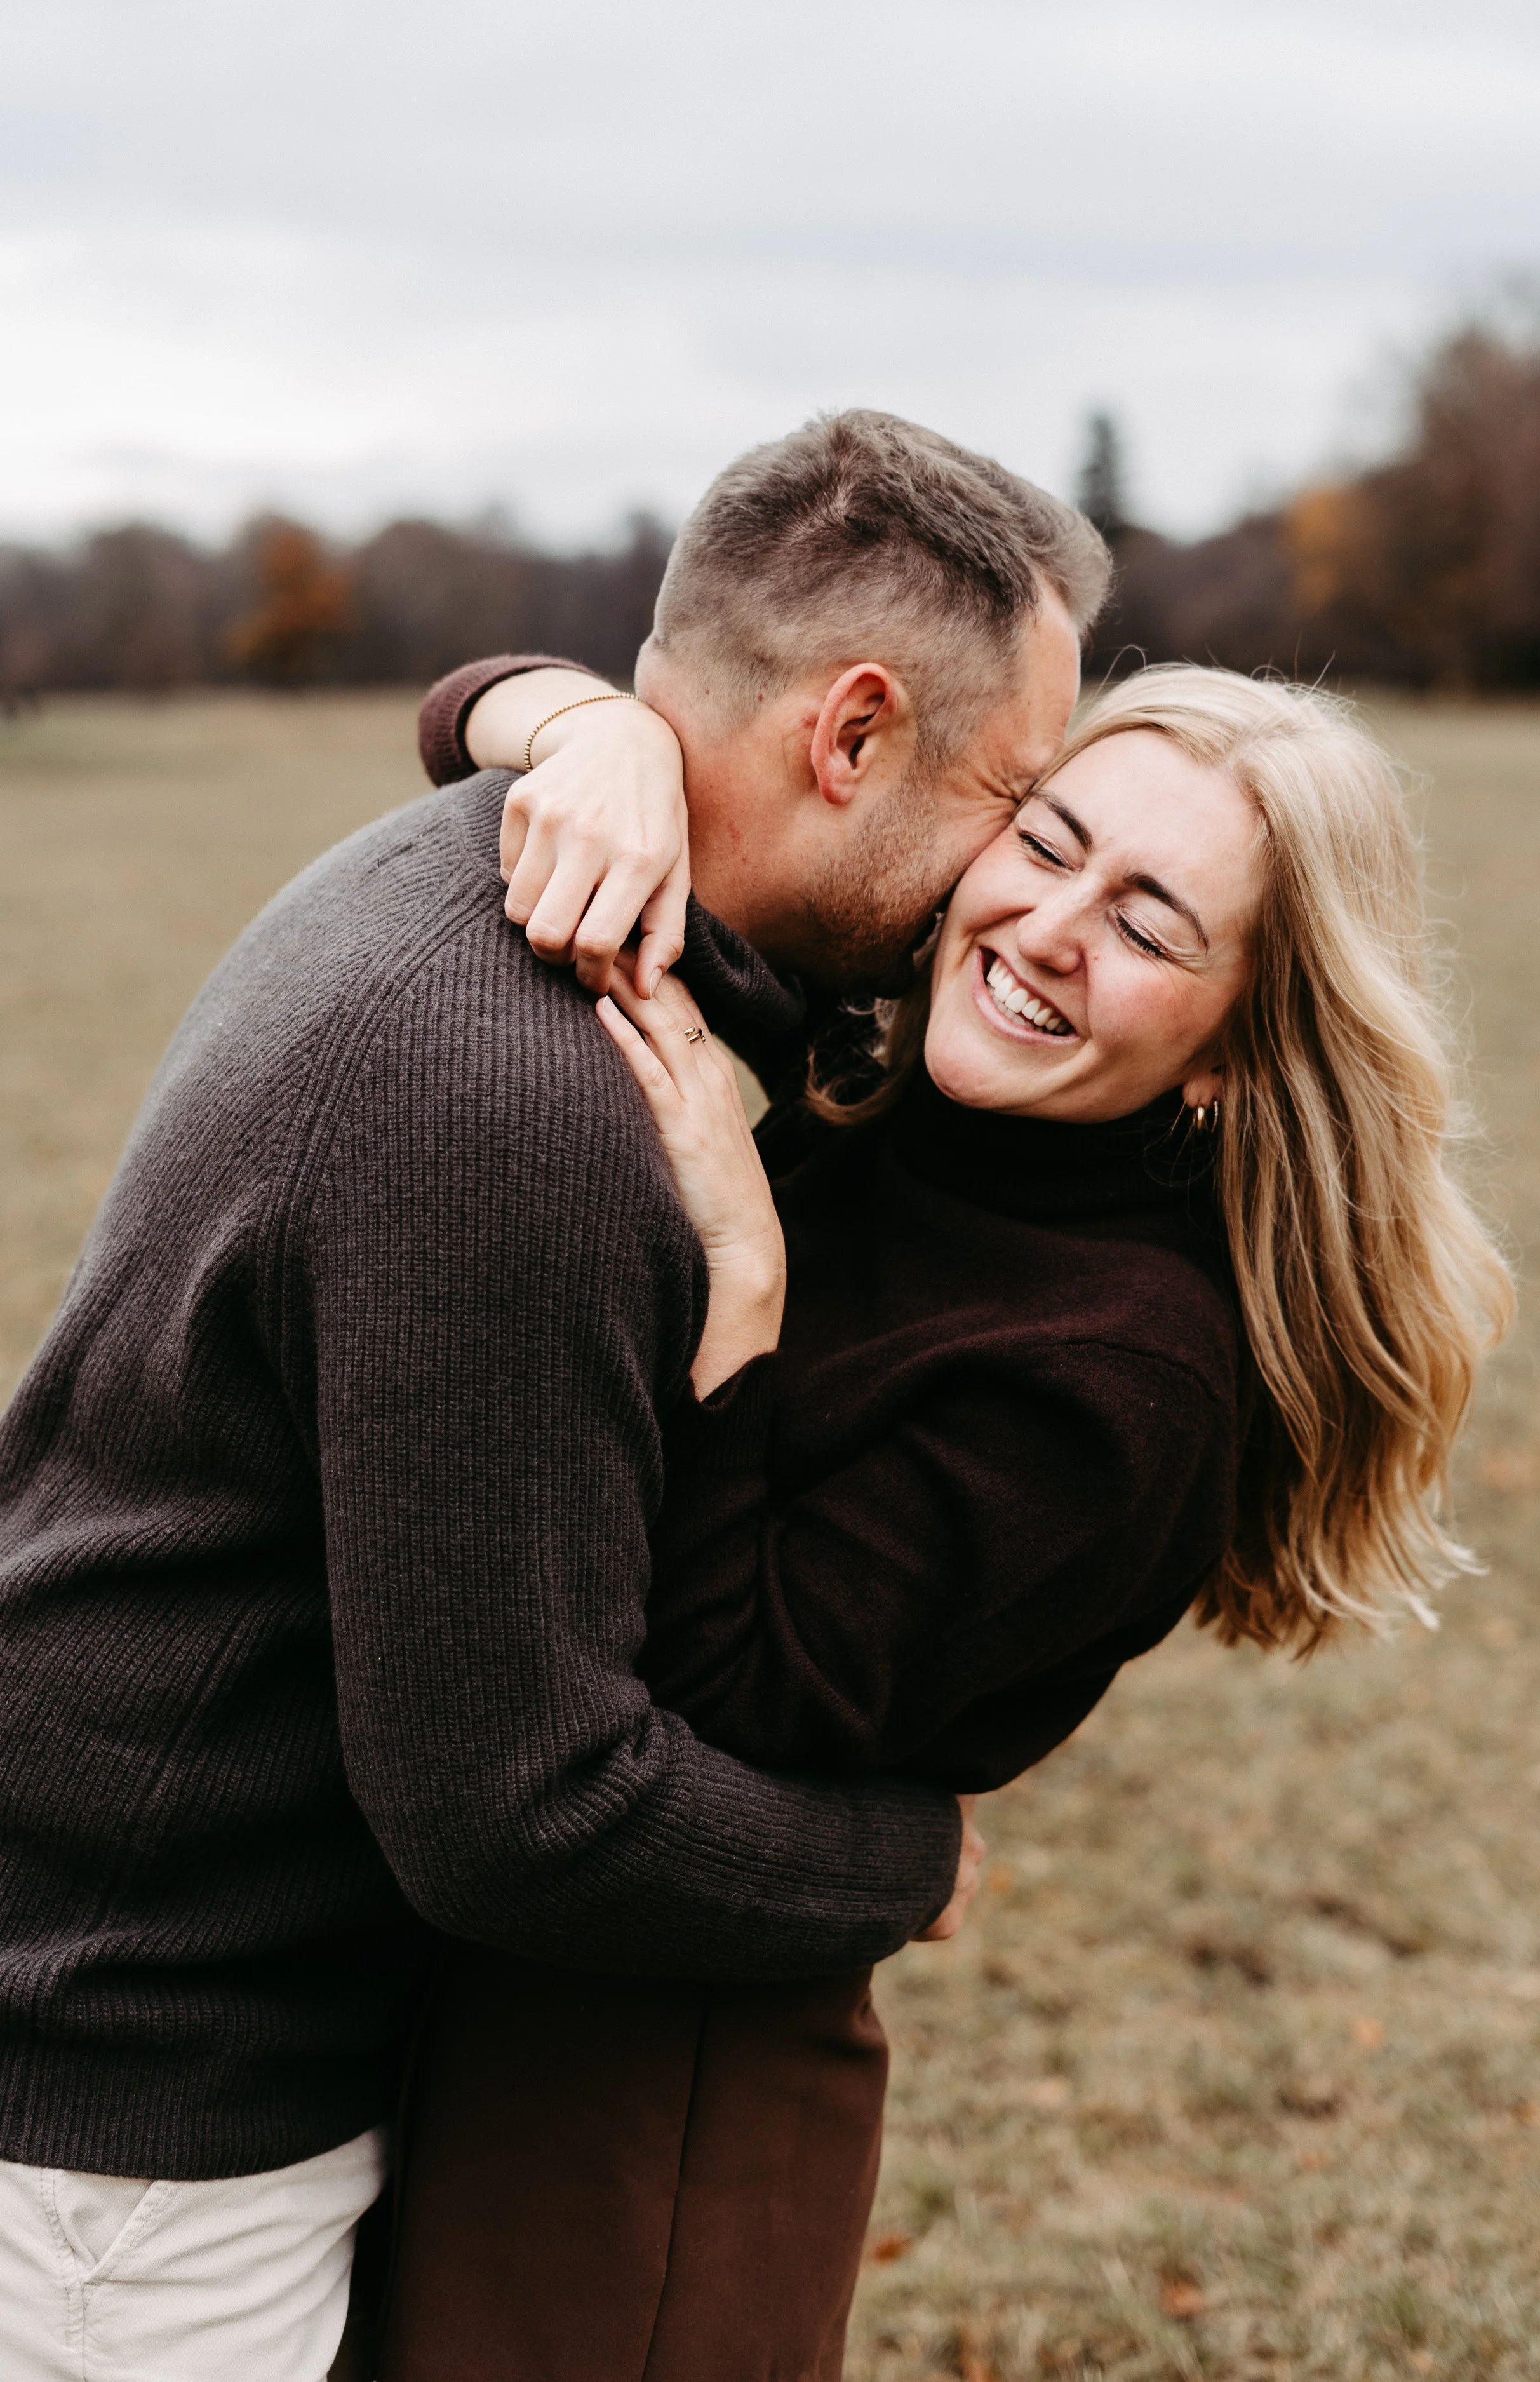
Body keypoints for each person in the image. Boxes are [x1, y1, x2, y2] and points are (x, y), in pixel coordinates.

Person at [0, 412, 1109, 2381]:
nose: (1003, 883)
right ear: (848, 736)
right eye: (1015, 798)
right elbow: (519, 1814)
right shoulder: (516, 1094)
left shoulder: (492, 886)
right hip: (130, 2140)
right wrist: (900, 1861)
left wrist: (537, 710)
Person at [377, 659, 1510, 2377]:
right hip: (482, 1976)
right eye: (1045, 842)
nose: (1048, 925)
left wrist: (743, 1278)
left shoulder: (1121, 1384)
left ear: (1234, 1044)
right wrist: (597, 731)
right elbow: (457, 709)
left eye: (1147, 922)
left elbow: (715, 1697)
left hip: (641, 2106)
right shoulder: (895, 1074)